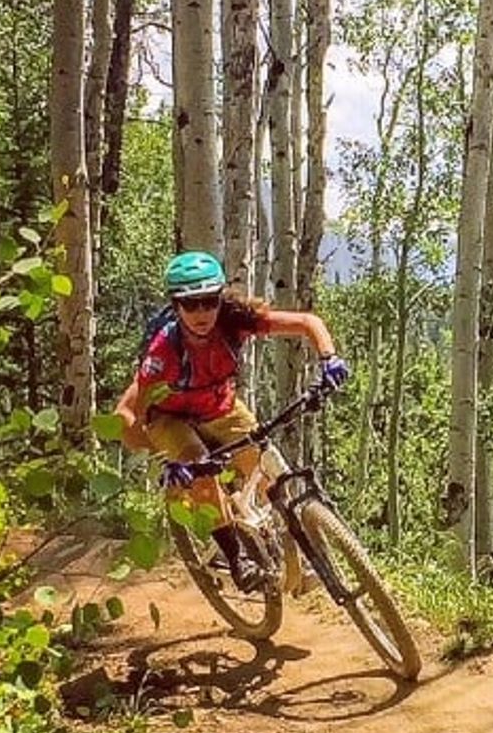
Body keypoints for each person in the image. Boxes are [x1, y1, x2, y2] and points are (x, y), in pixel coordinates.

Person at [115, 250, 350, 591]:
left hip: (221, 408)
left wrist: (329, 358)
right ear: (176, 305)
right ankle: (237, 559)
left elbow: (306, 323)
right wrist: (165, 457)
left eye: (209, 302)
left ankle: (296, 548)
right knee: (201, 470)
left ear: (219, 299)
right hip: (170, 417)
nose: (201, 313)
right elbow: (131, 414)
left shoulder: (234, 319)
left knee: (273, 471)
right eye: (190, 304)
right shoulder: (162, 351)